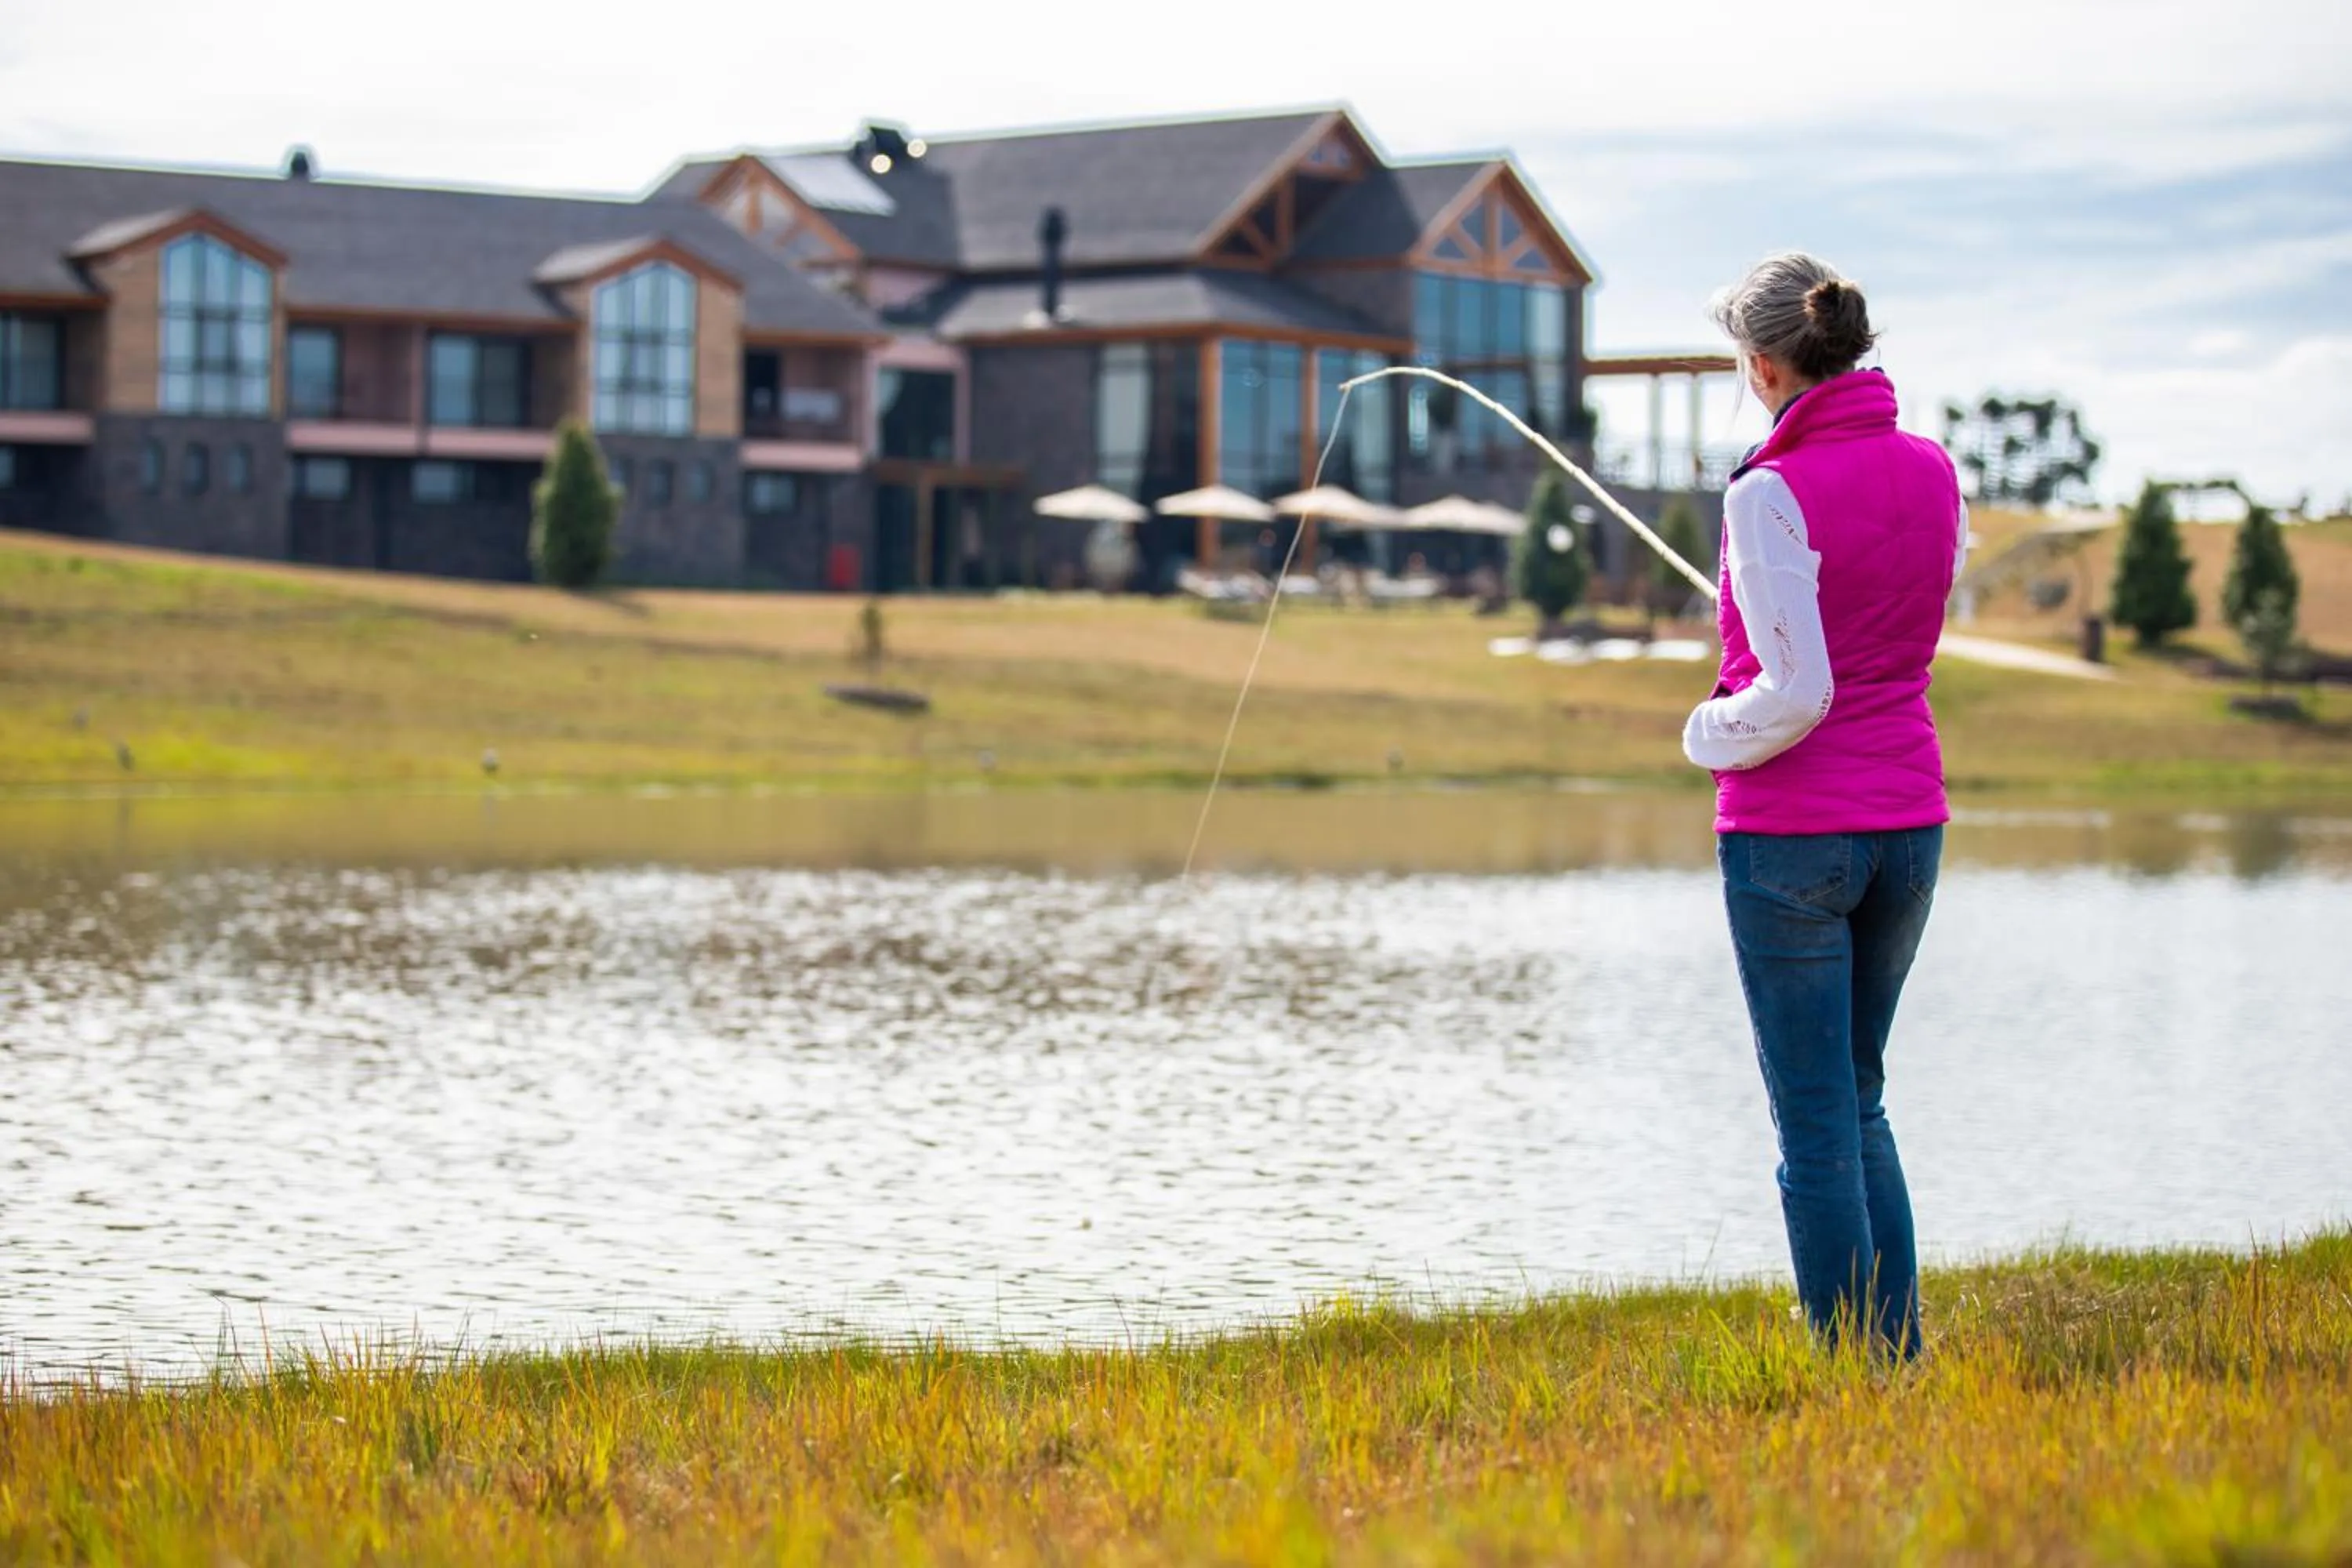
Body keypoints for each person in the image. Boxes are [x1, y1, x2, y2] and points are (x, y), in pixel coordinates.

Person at [1682, 252, 1968, 1359]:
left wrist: (1705, 731)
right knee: (1857, 1098)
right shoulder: (1936, 469)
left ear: (1763, 366)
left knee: (1814, 1120)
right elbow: (1873, 633)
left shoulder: (1767, 491)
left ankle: (1857, 1365)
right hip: (1910, 828)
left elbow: (1798, 692)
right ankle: (1891, 1353)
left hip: (1794, 840)